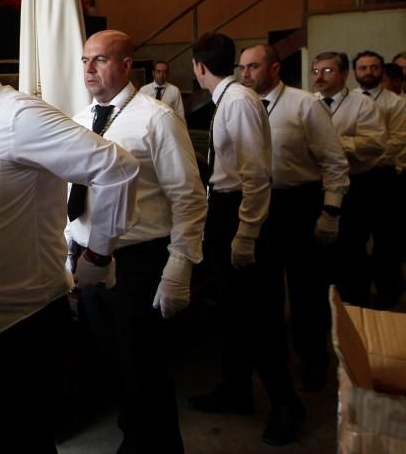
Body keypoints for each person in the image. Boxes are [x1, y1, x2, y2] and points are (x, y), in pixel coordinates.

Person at [0, 23, 139, 453]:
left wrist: (97, 255)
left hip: (20, 325)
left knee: (22, 442)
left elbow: (118, 167)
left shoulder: (20, 117)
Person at [67, 30, 205, 454]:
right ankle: (135, 436)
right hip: (89, 259)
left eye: (101, 60)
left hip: (138, 262)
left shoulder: (156, 117)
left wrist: (179, 268)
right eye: (86, 60)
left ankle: (159, 445)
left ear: (127, 66)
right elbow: (72, 193)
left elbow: (189, 197)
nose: (89, 69)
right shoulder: (80, 118)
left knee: (144, 368)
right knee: (112, 365)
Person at [188, 32, 304, 447]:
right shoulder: (229, 99)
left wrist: (246, 234)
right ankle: (236, 392)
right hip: (225, 209)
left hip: (240, 212)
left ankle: (287, 403)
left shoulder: (236, 102)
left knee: (258, 318)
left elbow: (256, 175)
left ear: (199, 67)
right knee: (233, 315)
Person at [238, 44, 349, 390]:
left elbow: (334, 161)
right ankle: (275, 365)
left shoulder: (305, 104)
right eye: (242, 68)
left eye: (253, 67)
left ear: (274, 69)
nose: (245, 74)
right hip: (258, 204)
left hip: (298, 202)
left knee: (306, 291)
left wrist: (331, 210)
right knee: (265, 292)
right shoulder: (241, 106)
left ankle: (314, 358)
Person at [313, 51, 386, 308]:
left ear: (344, 74)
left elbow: (376, 143)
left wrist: (335, 144)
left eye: (328, 71)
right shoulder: (309, 103)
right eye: (316, 71)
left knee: (352, 249)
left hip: (357, 185)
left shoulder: (362, 104)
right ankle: (326, 306)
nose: (320, 77)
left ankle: (356, 305)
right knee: (323, 250)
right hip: (320, 186)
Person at [351, 50, 406, 308]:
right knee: (354, 238)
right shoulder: (348, 100)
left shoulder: (396, 103)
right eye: (363, 68)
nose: (368, 72)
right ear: (354, 72)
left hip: (384, 177)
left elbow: (396, 141)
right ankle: (357, 292)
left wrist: (367, 156)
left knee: (386, 240)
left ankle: (389, 293)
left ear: (381, 71)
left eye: (373, 67)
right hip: (355, 179)